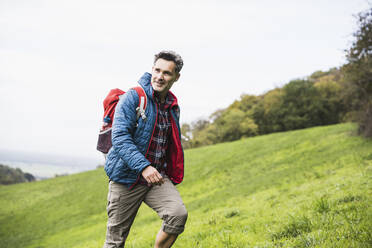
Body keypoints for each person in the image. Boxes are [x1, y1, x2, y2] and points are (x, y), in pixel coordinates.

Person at [103, 51, 187, 248]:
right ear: (152, 70)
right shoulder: (133, 97)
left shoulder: (172, 106)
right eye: (157, 70)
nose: (159, 76)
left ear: (176, 77)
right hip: (126, 178)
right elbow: (120, 138)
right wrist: (143, 167)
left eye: (166, 73)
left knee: (177, 214)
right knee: (114, 242)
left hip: (155, 178)